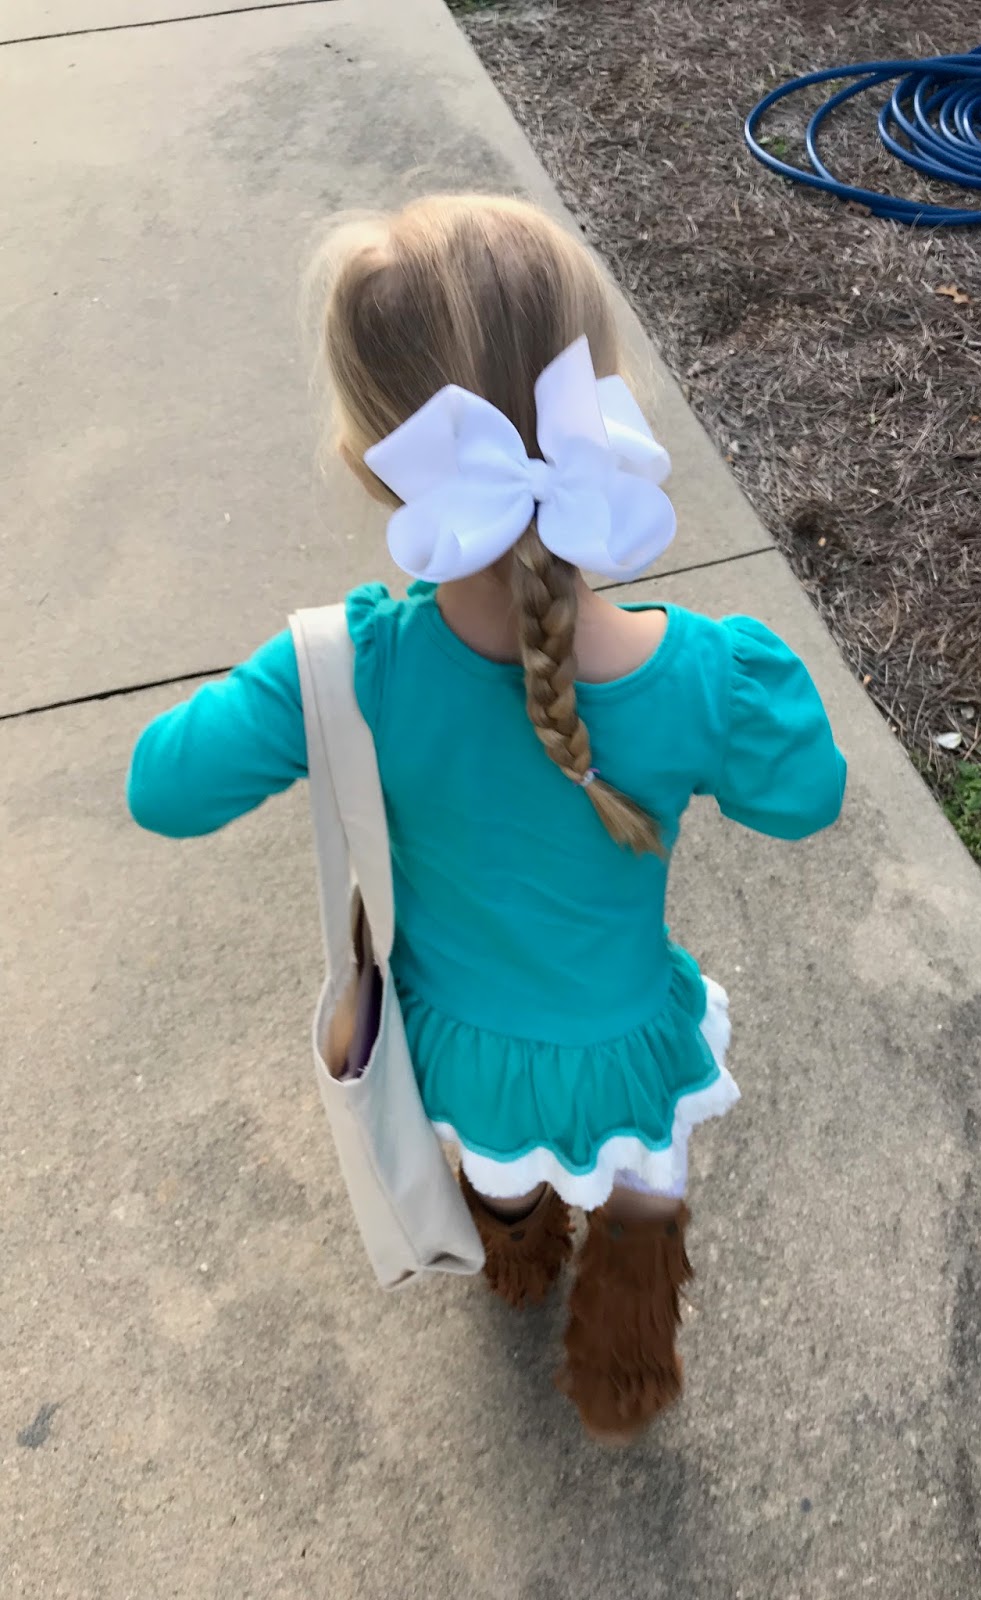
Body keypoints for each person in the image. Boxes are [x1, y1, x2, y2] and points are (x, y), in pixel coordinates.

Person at [127, 194, 846, 1442]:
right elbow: (807, 797)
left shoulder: (351, 669)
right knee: (646, 1195)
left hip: (463, 1056)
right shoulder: (707, 675)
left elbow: (163, 785)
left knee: (503, 1177)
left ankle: (515, 1260)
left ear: (374, 458)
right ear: (603, 413)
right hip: (626, 1047)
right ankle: (624, 1369)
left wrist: (295, 676)